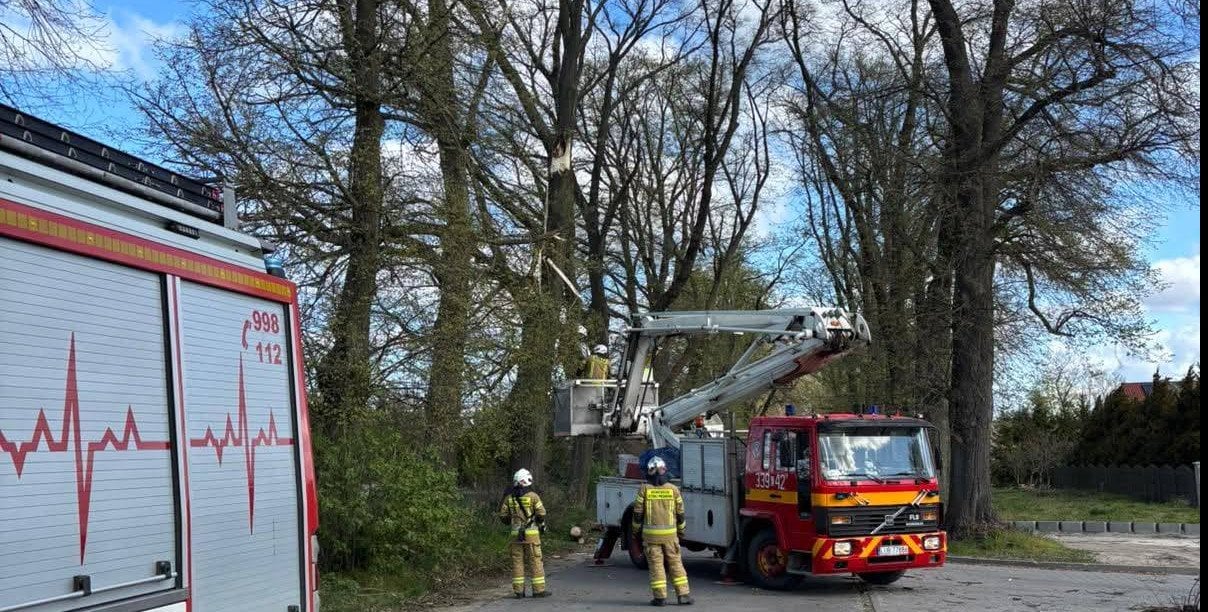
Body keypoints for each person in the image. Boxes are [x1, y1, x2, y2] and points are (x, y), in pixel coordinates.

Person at [631, 456, 693, 606]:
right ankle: (683, 595)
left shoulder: (644, 489)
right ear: (664, 470)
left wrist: (635, 531)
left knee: (656, 566)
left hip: (651, 538)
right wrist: (682, 531)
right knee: (676, 564)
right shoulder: (673, 490)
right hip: (671, 537)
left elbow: (637, 514)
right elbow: (680, 514)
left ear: (649, 472)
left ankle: (660, 598)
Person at [498, 468, 549, 598]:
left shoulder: (509, 498)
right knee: (535, 561)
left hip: (516, 536)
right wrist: (538, 521)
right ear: (526, 480)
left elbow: (503, 516)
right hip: (531, 536)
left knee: (517, 562)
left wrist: (514, 521)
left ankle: (519, 592)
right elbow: (541, 513)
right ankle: (538, 591)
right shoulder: (533, 496)